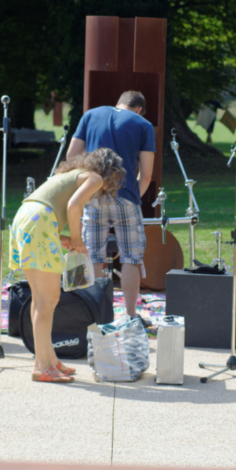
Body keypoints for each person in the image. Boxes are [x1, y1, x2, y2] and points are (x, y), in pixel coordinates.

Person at [9, 148, 125, 383]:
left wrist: (61, 237)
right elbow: (74, 206)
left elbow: (50, 204)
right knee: (49, 300)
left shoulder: (71, 173)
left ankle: (48, 360)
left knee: (40, 299)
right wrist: (76, 238)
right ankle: (42, 367)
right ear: (109, 172)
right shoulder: (95, 177)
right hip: (40, 220)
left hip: (25, 217)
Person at [65, 91, 156, 322]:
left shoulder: (90, 115)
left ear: (119, 102)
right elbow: (146, 175)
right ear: (139, 109)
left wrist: (86, 187)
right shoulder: (144, 125)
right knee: (131, 257)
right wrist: (134, 197)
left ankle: (95, 315)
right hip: (126, 195)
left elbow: (71, 156)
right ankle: (130, 316)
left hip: (93, 195)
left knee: (93, 255)